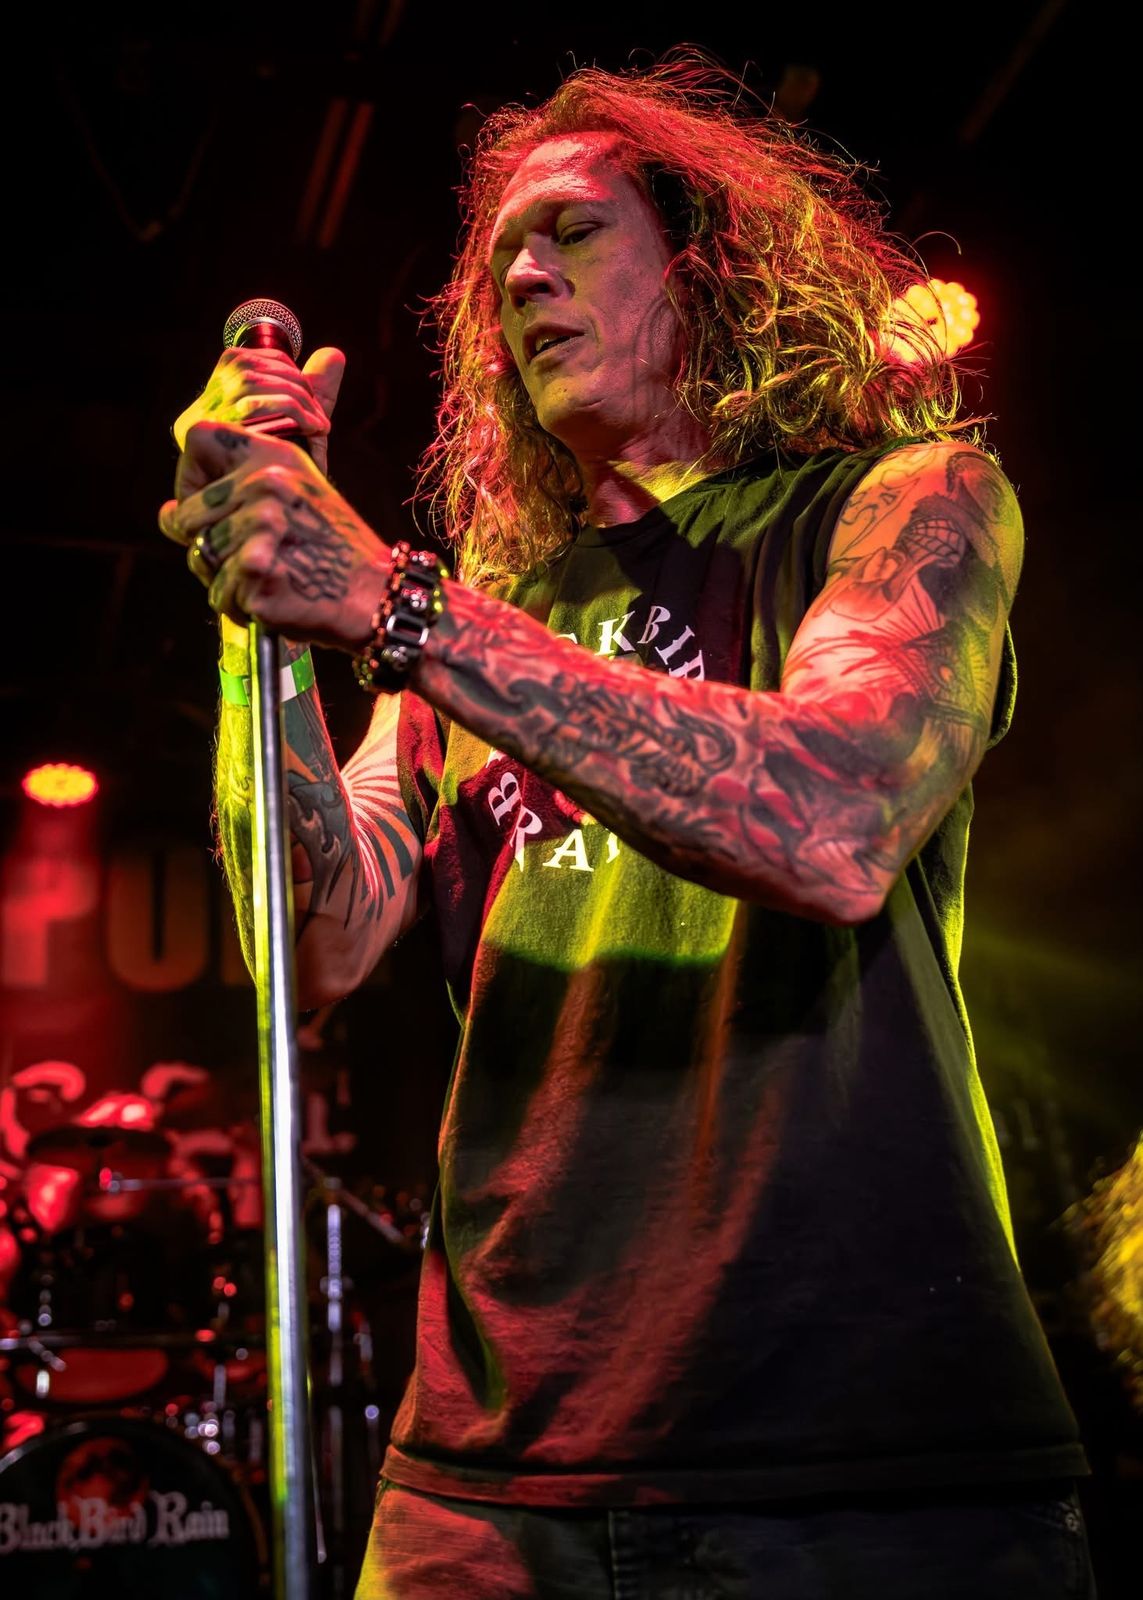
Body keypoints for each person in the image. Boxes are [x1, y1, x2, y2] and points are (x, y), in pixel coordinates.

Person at [159, 56, 1095, 1600]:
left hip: (860, 1466)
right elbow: (311, 944)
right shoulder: (481, 621)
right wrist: (247, 590)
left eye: (575, 232)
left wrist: (397, 608)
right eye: (501, 264)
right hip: (488, 1482)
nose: (524, 278)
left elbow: (834, 816)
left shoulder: (899, 503)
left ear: (706, 267)